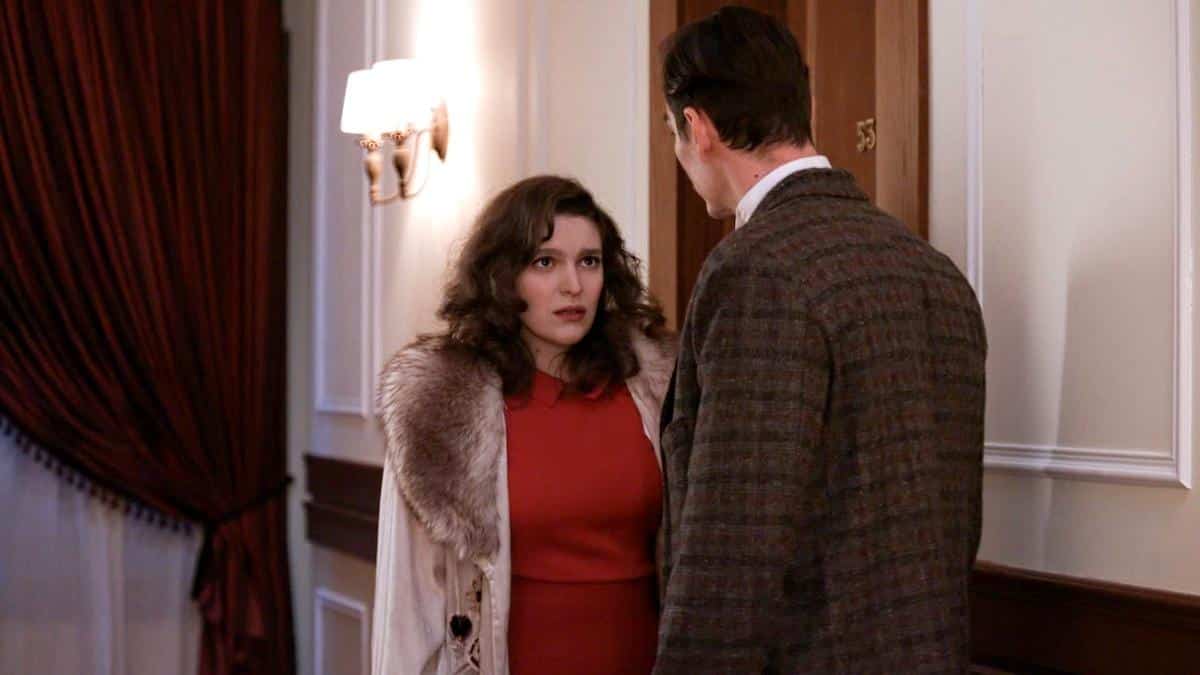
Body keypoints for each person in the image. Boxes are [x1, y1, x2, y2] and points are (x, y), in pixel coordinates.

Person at [654, 7, 987, 673]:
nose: (680, 155)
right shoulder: (936, 273)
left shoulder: (757, 269)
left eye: (673, 134)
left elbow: (733, 544)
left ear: (699, 126)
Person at [371, 175, 675, 675]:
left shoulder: (656, 391)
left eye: (589, 261)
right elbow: (407, 613)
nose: (573, 284)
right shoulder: (442, 410)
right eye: (545, 262)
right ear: (503, 275)